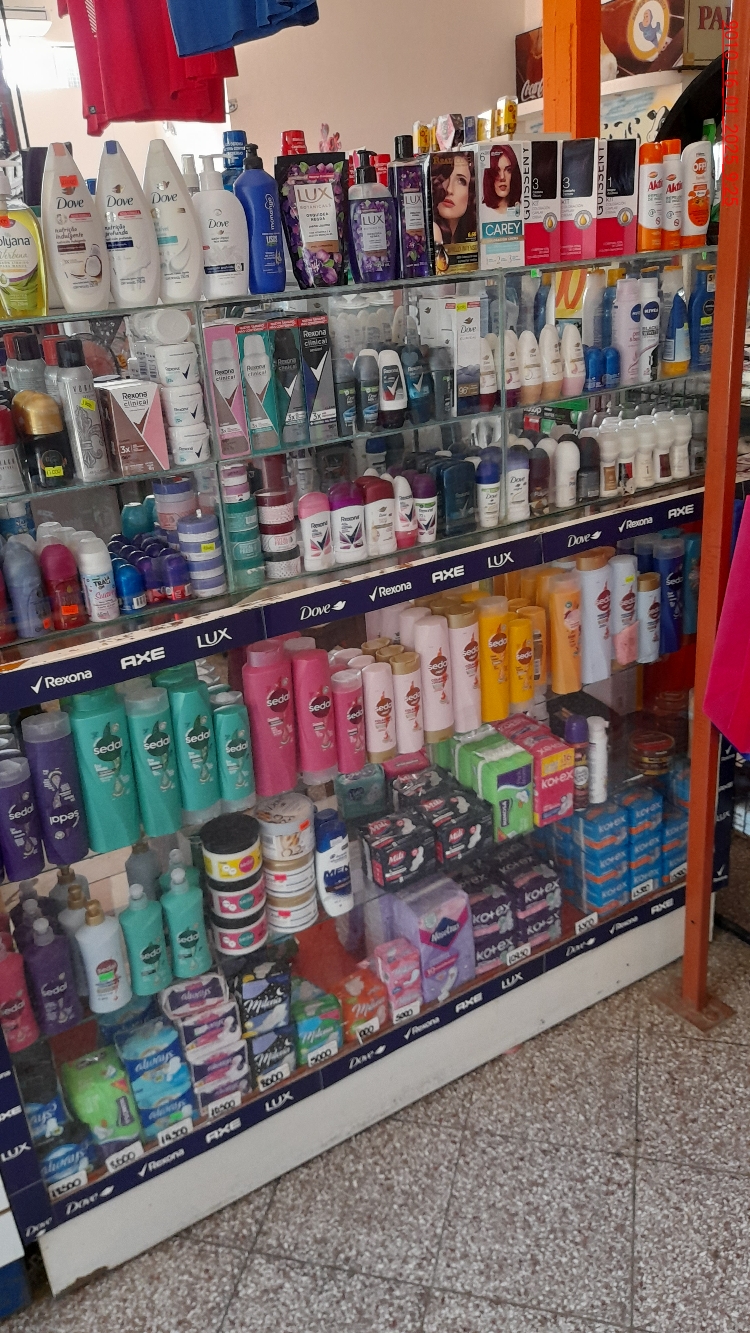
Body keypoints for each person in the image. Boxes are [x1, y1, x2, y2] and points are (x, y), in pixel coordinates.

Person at [432, 152, 476, 249]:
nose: (449, 190)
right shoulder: (433, 232)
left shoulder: (471, 237)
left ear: (470, 194)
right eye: (445, 176)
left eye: (461, 181)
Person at [482, 144, 522, 214]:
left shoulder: (523, 209)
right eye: (497, 171)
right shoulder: (482, 212)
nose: (502, 177)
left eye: (508, 170)